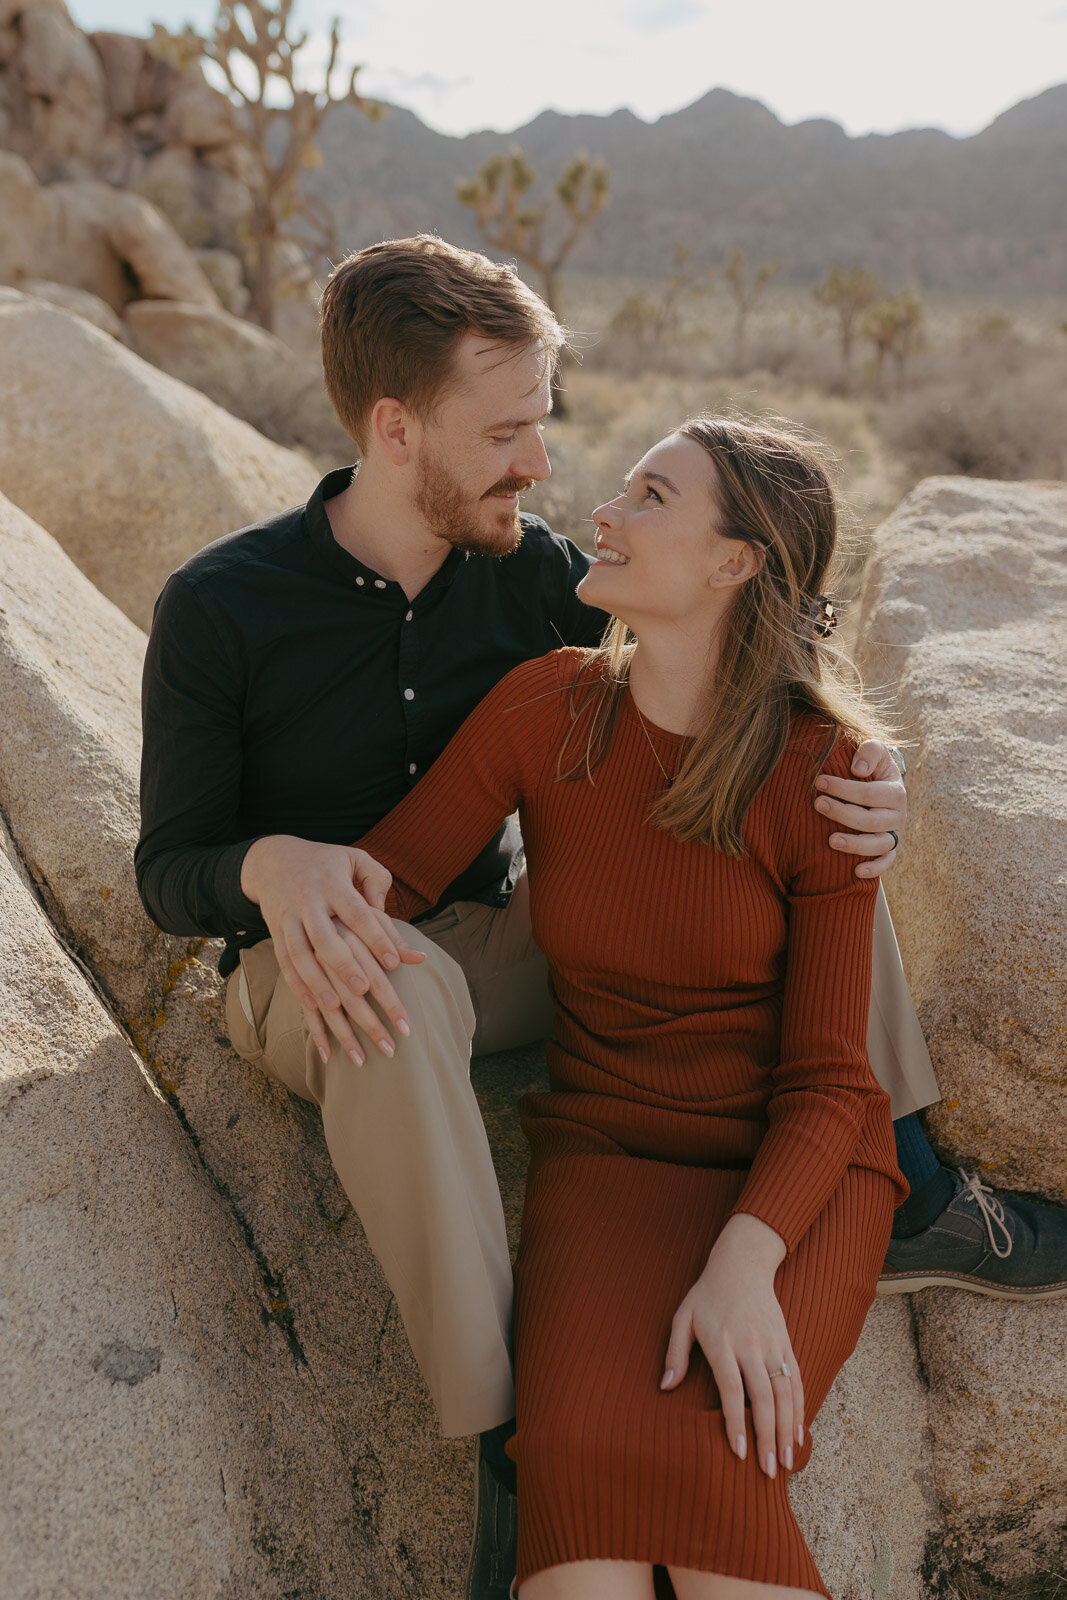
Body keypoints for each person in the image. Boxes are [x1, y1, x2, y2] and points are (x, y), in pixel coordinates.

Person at [135, 236, 1067, 1600]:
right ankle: (509, 1437)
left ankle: (906, 1173)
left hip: (496, 941)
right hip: (319, 951)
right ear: (396, 430)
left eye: (543, 425)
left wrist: (869, 767)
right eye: (506, 432)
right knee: (398, 981)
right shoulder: (224, 605)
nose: (541, 464)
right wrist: (272, 866)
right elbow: (169, 869)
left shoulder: (533, 573)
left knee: (805, 836)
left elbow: (736, 634)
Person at [352, 410, 906, 1596]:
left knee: (712, 1464)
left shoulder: (826, 774)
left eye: (650, 495)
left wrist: (743, 1266)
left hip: (788, 1172)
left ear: (732, 562)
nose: (603, 508)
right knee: (573, 1468)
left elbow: (828, 1080)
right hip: (602, 1154)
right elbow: (379, 885)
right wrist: (273, 867)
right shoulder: (542, 709)